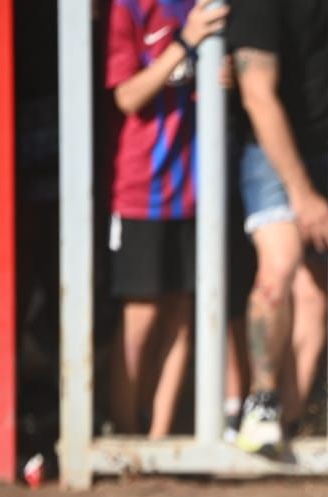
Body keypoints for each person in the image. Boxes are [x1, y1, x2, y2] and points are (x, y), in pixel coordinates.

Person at [103, 0, 229, 440]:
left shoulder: (209, 6)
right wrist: (185, 43)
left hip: (201, 192)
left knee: (181, 314)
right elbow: (126, 96)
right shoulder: (131, 8)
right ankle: (124, 438)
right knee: (142, 315)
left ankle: (157, 438)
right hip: (144, 190)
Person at [230, 0, 328, 457]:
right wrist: (302, 193)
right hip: (274, 153)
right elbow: (257, 94)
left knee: (318, 289)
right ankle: (262, 403)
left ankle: (290, 422)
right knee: (278, 267)